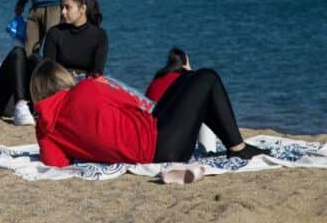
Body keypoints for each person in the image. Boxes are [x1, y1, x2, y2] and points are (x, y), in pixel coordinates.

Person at [30, 60, 271, 167]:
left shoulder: (46, 129)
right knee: (207, 78)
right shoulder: (86, 88)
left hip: (155, 144)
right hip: (161, 144)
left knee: (186, 78)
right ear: (63, 77)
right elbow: (134, 103)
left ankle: (230, 143)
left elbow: (56, 163)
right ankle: (237, 148)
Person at [43, 0, 108, 76]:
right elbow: (48, 69)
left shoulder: (100, 36)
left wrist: (81, 79)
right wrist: (67, 78)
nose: (63, 12)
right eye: (62, 7)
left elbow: (97, 72)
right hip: (60, 83)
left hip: (86, 85)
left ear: (82, 9)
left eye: (68, 7)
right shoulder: (54, 33)